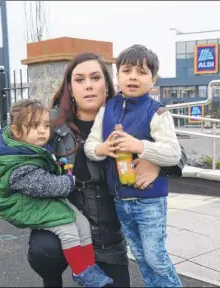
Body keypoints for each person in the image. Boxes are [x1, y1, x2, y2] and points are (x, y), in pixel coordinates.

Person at [26, 52, 187, 287]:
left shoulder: (124, 116)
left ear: (107, 82)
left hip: (107, 232)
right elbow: (12, 140)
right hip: (63, 221)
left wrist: (157, 166)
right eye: (80, 80)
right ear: (70, 87)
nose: (89, 86)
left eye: (95, 78)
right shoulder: (52, 122)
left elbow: (177, 151)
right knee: (45, 252)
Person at [0, 99, 113, 287]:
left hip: (35, 197)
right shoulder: (18, 163)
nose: (42, 130)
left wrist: (60, 168)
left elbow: (44, 172)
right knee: (67, 228)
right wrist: (67, 181)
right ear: (16, 131)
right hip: (21, 204)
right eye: (34, 126)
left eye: (46, 125)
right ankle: (81, 271)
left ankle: (89, 266)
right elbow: (44, 186)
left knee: (81, 222)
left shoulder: (27, 148)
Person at [84, 44, 183, 287]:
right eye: (127, 71)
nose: (133, 77)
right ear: (118, 76)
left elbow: (173, 153)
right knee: (140, 257)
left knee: (155, 257)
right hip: (120, 200)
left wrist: (139, 146)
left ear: (153, 80)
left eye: (141, 72)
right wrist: (102, 150)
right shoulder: (107, 109)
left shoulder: (157, 112)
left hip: (150, 200)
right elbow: (90, 145)